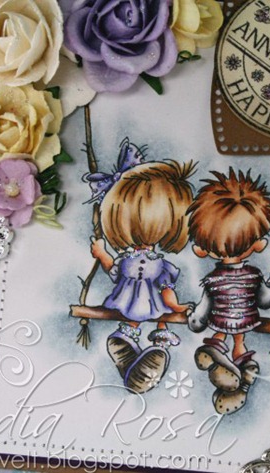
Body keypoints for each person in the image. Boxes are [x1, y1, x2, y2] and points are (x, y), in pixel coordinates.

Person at [89, 139, 195, 393]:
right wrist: (176, 307)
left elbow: (114, 271)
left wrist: (102, 254)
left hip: (129, 305)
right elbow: (166, 290)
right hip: (150, 306)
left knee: (147, 321)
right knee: (159, 320)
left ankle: (136, 343)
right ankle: (148, 349)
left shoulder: (137, 262)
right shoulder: (156, 265)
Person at [187, 168, 270, 414]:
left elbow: (203, 312)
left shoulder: (213, 280)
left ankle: (216, 350)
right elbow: (265, 301)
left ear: (202, 249)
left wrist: (193, 321)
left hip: (220, 321)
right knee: (239, 341)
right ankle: (244, 369)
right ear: (258, 244)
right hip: (245, 320)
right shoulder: (254, 276)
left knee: (220, 333)